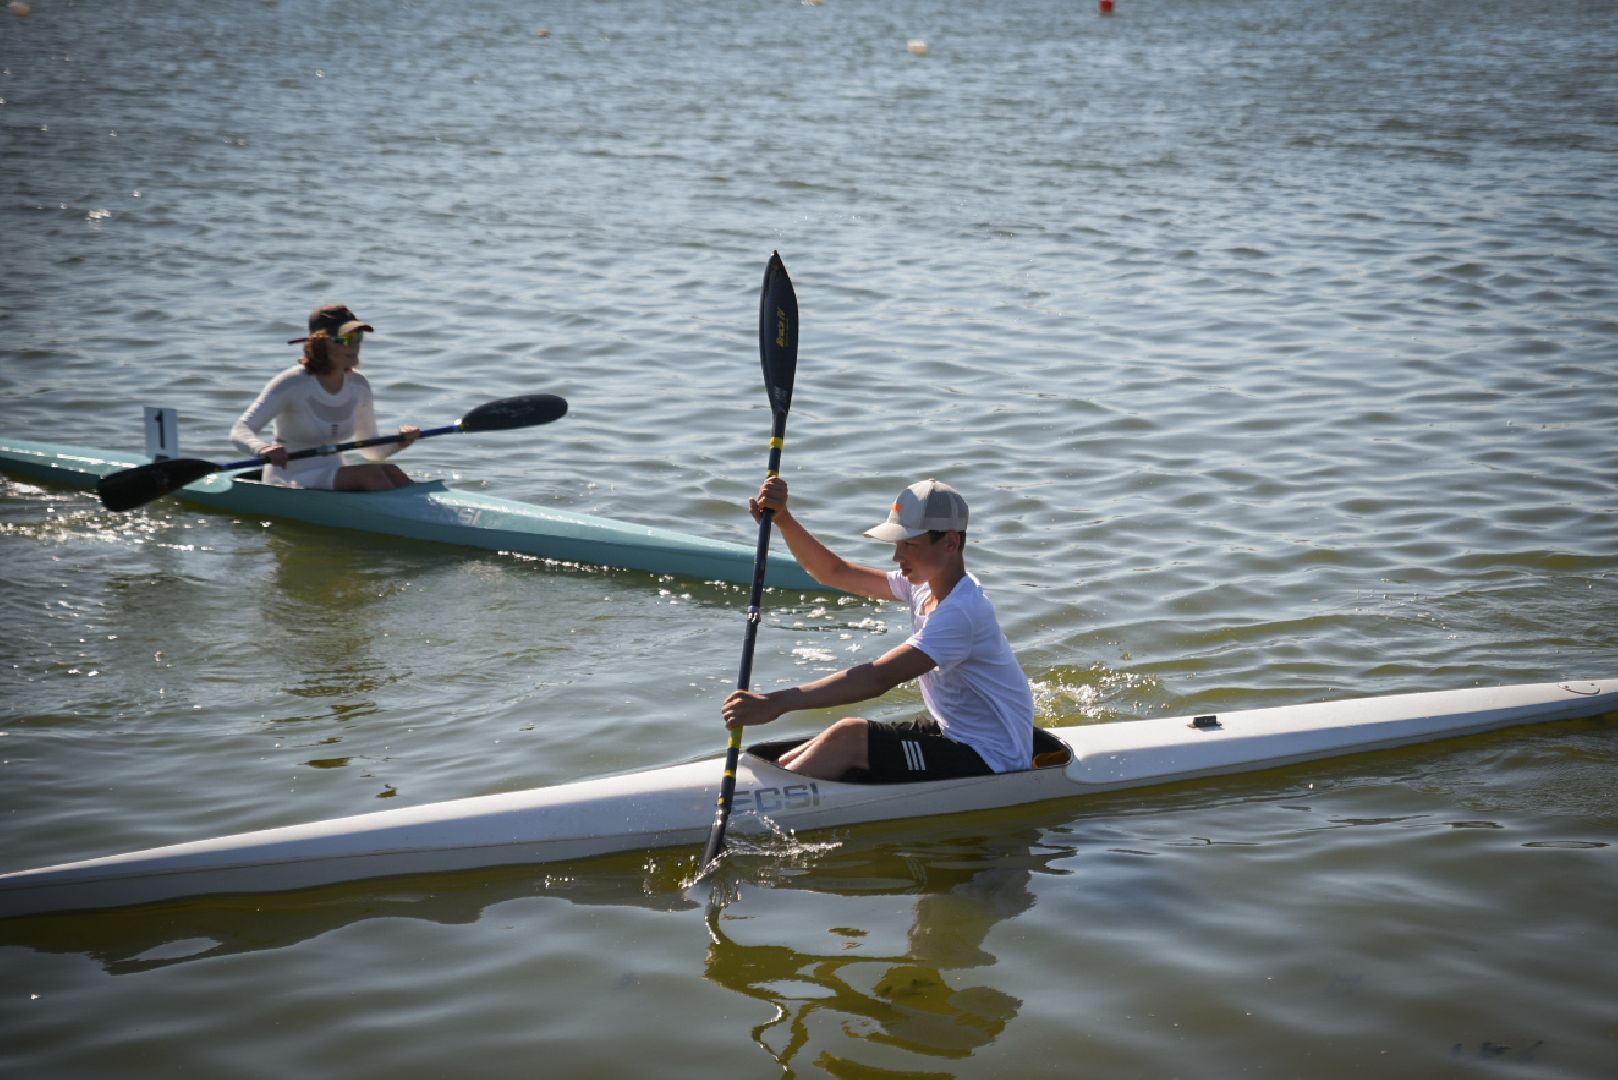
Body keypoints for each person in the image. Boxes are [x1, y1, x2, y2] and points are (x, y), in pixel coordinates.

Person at [721, 477, 1035, 782]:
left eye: (910, 544)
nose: (898, 557)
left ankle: (765, 808)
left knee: (851, 737)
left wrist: (776, 703)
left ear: (951, 542)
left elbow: (877, 678)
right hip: (959, 733)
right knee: (833, 738)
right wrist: (784, 520)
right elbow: (835, 572)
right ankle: (778, 783)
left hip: (994, 759)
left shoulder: (961, 612)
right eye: (898, 544)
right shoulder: (925, 585)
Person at [229, 304, 420, 490]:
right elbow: (240, 430)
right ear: (321, 343)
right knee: (372, 475)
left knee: (391, 471)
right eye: (346, 339)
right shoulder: (292, 383)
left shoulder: (358, 385)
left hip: (334, 472)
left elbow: (371, 450)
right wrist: (262, 449)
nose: (354, 346)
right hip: (288, 478)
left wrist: (401, 441)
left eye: (358, 337)